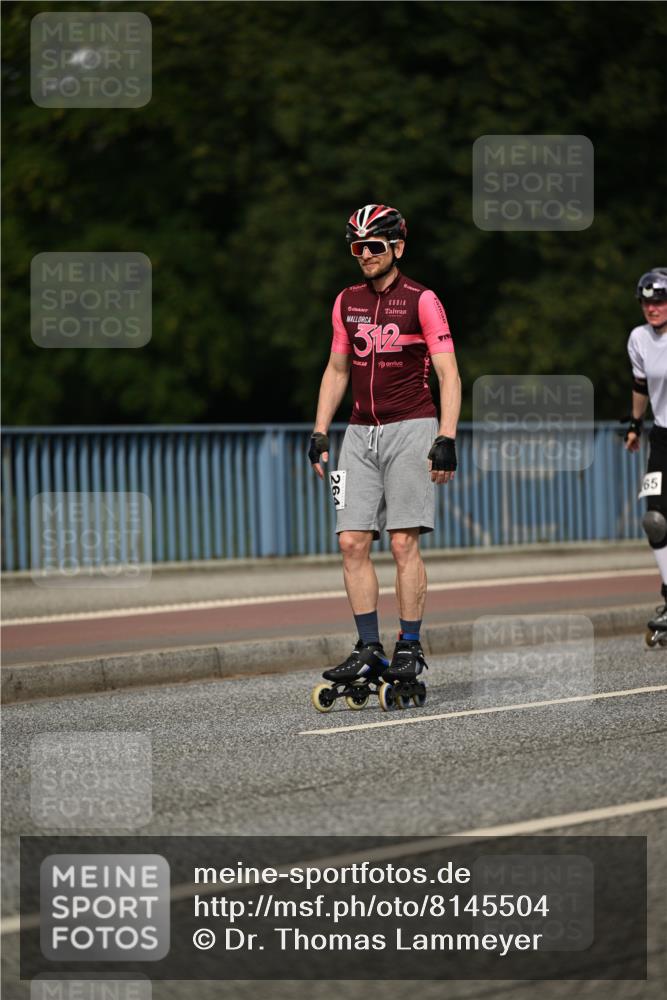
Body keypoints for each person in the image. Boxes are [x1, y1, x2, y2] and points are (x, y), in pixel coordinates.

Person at [308, 203, 461, 699]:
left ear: (397, 246)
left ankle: (410, 645)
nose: (365, 255)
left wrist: (447, 437)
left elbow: (449, 374)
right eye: (357, 247)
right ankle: (369, 646)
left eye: (374, 246)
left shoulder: (422, 299)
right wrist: (319, 430)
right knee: (351, 541)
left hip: (412, 428)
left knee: (401, 543)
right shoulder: (346, 301)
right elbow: (336, 370)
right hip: (357, 434)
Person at [624, 267, 667, 643]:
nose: (653, 308)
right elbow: (641, 383)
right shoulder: (638, 338)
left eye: (660, 301)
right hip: (663, 436)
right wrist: (634, 424)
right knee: (655, 518)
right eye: (647, 302)